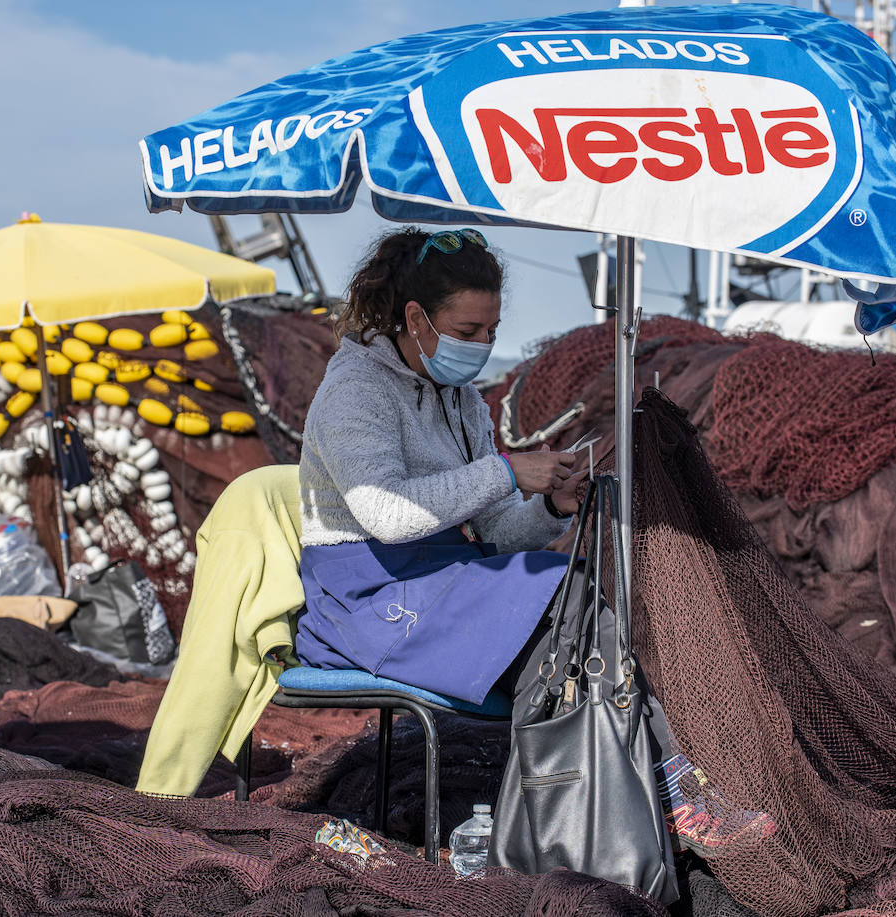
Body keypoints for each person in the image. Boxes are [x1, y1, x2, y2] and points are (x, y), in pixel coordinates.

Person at [296, 227, 774, 855]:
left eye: (491, 331)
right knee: (570, 605)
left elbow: (495, 534)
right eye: (467, 332)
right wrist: (506, 471)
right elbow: (382, 513)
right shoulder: (354, 390)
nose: (481, 345)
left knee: (575, 617)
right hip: (368, 597)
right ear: (415, 318)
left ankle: (604, 807)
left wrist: (551, 505)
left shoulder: (463, 399)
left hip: (444, 578)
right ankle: (653, 796)